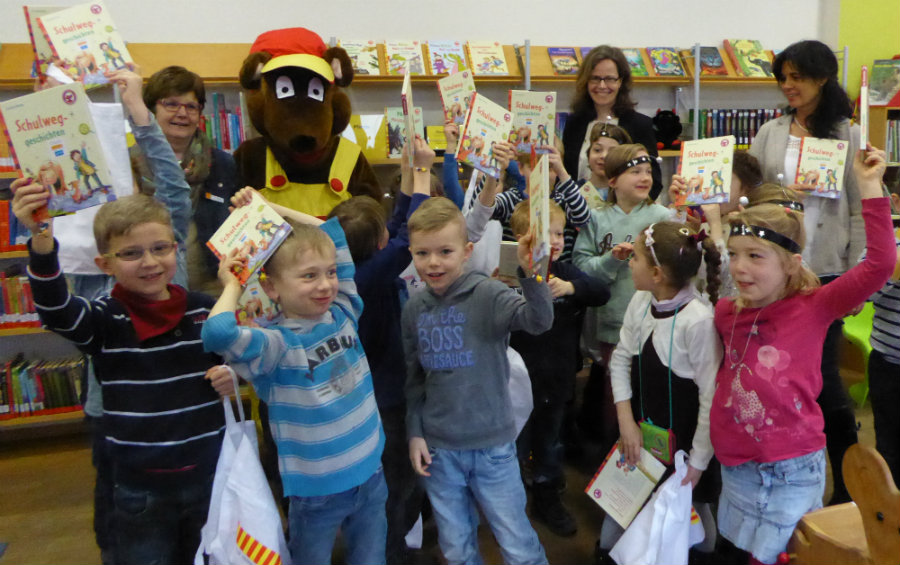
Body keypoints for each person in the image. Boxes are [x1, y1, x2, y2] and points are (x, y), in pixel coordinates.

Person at [12, 185, 234, 565]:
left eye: (159, 248)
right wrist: (41, 239)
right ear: (106, 264)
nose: (149, 262)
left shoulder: (202, 310)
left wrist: (230, 376)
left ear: (175, 248)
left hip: (208, 476)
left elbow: (234, 358)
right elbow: (56, 309)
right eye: (131, 253)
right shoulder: (105, 319)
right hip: (139, 487)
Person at [711, 145, 895, 565]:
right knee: (737, 552)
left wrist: (868, 186)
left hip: (790, 471)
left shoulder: (816, 307)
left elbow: (881, 264)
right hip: (736, 466)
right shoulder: (727, 312)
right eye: (735, 255)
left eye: (755, 257)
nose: (740, 268)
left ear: (791, 265)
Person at [201, 195, 387, 565]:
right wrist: (233, 282)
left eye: (330, 272)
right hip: (316, 492)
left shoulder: (344, 312)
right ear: (271, 288)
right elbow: (217, 332)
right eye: (308, 276)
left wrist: (273, 210)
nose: (325, 285)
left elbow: (332, 233)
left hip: (371, 472)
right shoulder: (275, 345)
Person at [403, 197, 552, 565]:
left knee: (517, 543)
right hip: (439, 451)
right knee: (455, 547)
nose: (433, 262)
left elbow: (538, 321)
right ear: (412, 253)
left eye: (445, 251)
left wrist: (531, 275)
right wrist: (415, 432)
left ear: (467, 251)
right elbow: (414, 377)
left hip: (493, 448)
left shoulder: (488, 294)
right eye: (422, 253)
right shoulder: (414, 308)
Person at [748, 40, 864, 504]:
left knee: (825, 379)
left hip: (828, 271)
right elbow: (753, 196)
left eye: (797, 77)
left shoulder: (848, 134)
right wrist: (778, 191)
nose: (788, 86)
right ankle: (788, 472)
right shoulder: (771, 132)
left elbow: (859, 209)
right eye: (783, 77)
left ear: (822, 79)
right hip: (778, 270)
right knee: (778, 375)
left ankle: (849, 483)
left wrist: (857, 274)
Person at [327, 138, 432, 565]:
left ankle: (386, 545)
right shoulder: (369, 276)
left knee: (387, 481)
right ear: (380, 243)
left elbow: (399, 224)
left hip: (369, 394)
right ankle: (388, 552)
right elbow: (412, 234)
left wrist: (408, 174)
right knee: (393, 480)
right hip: (386, 397)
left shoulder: (351, 264)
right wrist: (422, 171)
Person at [596, 222, 722, 562]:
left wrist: (696, 464)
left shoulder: (697, 322)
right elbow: (620, 360)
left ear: (656, 273)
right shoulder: (641, 300)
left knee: (695, 528)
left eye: (634, 257)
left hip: (685, 449)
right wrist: (626, 423)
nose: (629, 262)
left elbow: (711, 400)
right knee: (615, 524)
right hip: (637, 435)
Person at [506, 200, 610, 537]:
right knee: (516, 444)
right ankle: (514, 497)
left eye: (558, 233)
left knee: (549, 443)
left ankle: (546, 493)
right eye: (544, 233)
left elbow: (601, 291)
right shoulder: (511, 275)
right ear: (521, 238)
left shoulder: (565, 273)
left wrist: (572, 288)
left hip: (556, 379)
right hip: (516, 384)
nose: (553, 240)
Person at [573, 144, 672, 454]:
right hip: (612, 326)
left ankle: (654, 468)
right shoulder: (596, 219)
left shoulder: (662, 216)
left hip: (656, 327)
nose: (644, 178)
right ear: (613, 180)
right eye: (635, 172)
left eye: (647, 172)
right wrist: (612, 260)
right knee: (615, 400)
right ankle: (615, 469)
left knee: (653, 399)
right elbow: (581, 268)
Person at [131, 65, 238, 295]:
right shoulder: (129, 165)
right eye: (171, 104)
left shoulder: (222, 164)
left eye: (191, 106)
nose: (182, 113)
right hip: (150, 290)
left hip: (213, 288)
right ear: (150, 110)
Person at [562, 45, 662, 198]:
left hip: (626, 217)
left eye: (609, 79)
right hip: (578, 215)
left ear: (621, 81)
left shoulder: (640, 125)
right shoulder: (573, 123)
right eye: (595, 78)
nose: (602, 86)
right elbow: (566, 175)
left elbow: (654, 182)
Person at [867, 225, 900, 487]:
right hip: (888, 364)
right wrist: (892, 266)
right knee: (889, 448)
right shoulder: (885, 245)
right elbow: (862, 293)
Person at [577, 122, 632, 207]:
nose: (603, 156)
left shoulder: (630, 194)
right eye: (597, 150)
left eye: (612, 151)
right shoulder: (573, 191)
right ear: (589, 153)